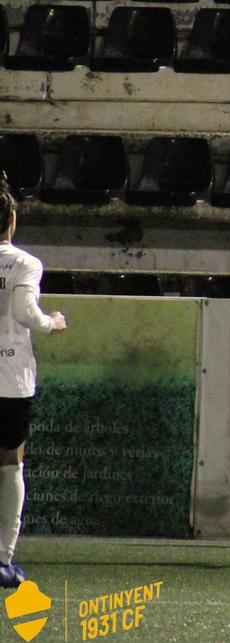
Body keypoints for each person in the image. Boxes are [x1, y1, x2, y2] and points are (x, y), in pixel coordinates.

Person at [0, 184, 68, 588]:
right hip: (10, 377)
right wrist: (51, 322)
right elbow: (25, 311)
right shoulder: (25, 262)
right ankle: (3, 560)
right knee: (11, 463)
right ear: (11, 220)